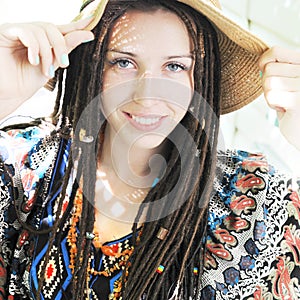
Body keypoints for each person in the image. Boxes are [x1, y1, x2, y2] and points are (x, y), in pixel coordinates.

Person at [0, 0, 299, 299]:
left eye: (174, 66)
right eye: (123, 62)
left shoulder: (253, 198)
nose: (147, 95)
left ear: (199, 78)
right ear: (91, 64)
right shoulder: (23, 166)